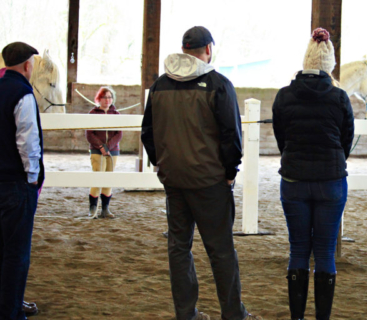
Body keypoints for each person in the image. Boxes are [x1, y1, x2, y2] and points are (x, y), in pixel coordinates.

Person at [141, 26, 260, 320]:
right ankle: (233, 313)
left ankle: (186, 313)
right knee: (221, 250)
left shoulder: (159, 86)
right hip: (210, 182)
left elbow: (147, 134)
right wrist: (230, 172)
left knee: (179, 248)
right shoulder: (219, 85)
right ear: (208, 49)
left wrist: (162, 164)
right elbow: (231, 135)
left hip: (174, 181)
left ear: (184, 49)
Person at [272, 27, 354, 320]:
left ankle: (296, 317)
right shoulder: (340, 97)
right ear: (329, 64)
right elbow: (346, 140)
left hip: (294, 180)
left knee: (298, 250)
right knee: (324, 252)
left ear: (305, 60)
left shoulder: (283, 96)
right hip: (331, 182)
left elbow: (281, 139)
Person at [0, 42, 45, 320]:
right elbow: (28, 143)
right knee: (16, 253)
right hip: (14, 184)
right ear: (27, 65)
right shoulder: (23, 94)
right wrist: (32, 180)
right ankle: (10, 312)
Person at [85, 86, 122, 219]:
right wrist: (100, 146)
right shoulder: (92, 113)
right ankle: (93, 207)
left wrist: (108, 146)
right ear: (99, 99)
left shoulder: (116, 115)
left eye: (109, 97)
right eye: (104, 97)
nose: (107, 100)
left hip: (113, 151)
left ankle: (105, 208)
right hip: (96, 151)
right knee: (97, 177)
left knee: (109, 177)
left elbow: (119, 134)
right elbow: (89, 134)